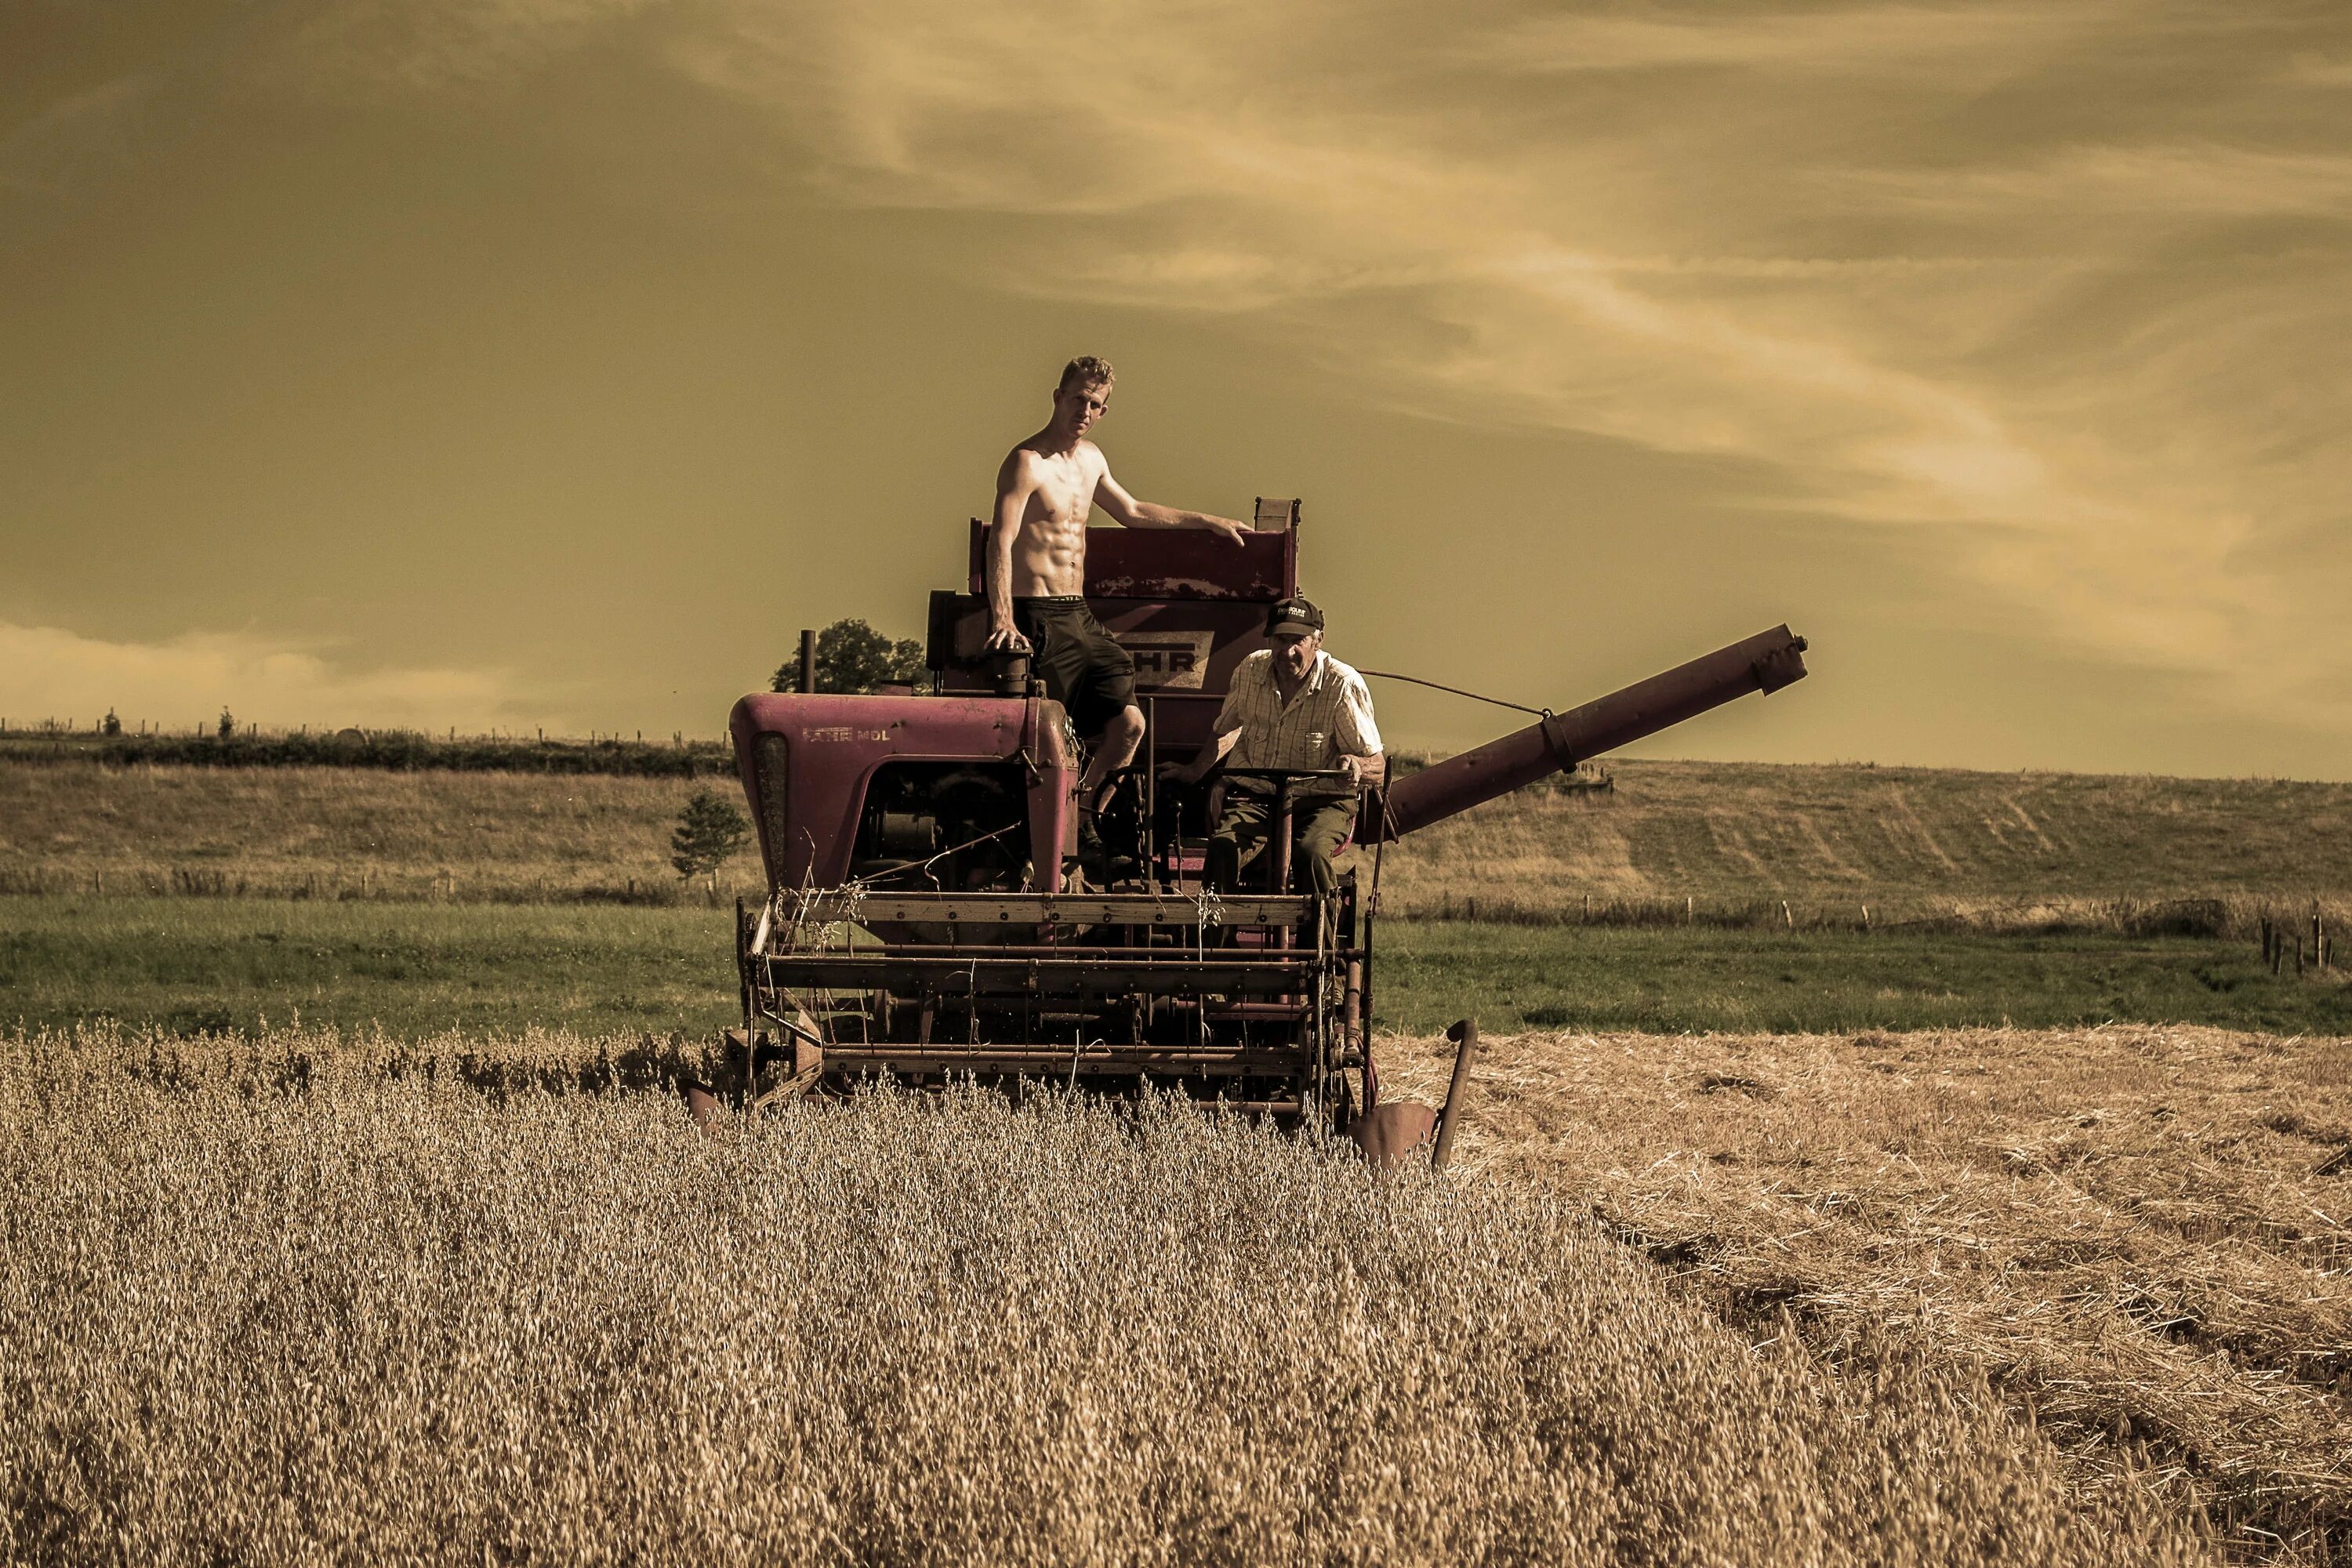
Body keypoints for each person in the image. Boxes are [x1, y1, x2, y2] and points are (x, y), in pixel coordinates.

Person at [983, 356, 1248, 837]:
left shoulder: (1092, 460)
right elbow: (1000, 540)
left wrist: (1206, 519)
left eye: (1096, 404)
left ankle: (1082, 812)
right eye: (1079, 399)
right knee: (1046, 740)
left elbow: (1131, 510)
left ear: (1103, 411)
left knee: (1130, 727)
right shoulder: (1027, 462)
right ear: (1058, 397)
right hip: (1036, 613)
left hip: (1078, 613)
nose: (1085, 410)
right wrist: (1004, 618)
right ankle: (1041, 835)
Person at [1161, 595, 1385, 899]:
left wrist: (1357, 768)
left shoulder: (1342, 684)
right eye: (1280, 639)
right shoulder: (1251, 670)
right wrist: (1194, 771)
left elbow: (1378, 765)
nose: (1287, 651)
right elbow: (1227, 728)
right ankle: (1215, 944)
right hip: (1256, 797)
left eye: (1298, 640)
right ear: (1269, 639)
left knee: (1311, 852)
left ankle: (1318, 944)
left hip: (1321, 801)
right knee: (1222, 848)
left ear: (1318, 640)